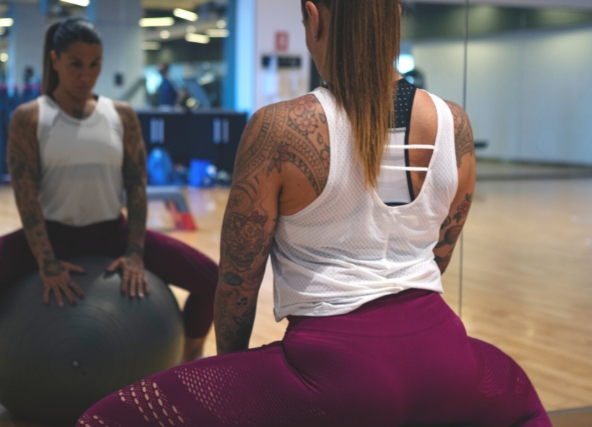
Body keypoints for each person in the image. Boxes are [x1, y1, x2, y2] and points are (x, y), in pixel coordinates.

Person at [79, 1, 551, 426]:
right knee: (525, 402)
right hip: (444, 356)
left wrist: (232, 381)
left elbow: (237, 286)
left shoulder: (278, 128)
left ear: (315, 16)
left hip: (337, 374)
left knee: (101, 419)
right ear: (396, 16)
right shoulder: (456, 123)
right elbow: (437, 257)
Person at [0, 17, 218, 424]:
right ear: (54, 59)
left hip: (113, 234)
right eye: (75, 64)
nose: (86, 75)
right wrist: (46, 260)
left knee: (213, 279)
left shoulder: (120, 115)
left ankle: (186, 371)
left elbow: (137, 188)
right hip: (51, 235)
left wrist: (136, 253)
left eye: (95, 64)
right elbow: (26, 194)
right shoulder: (30, 117)